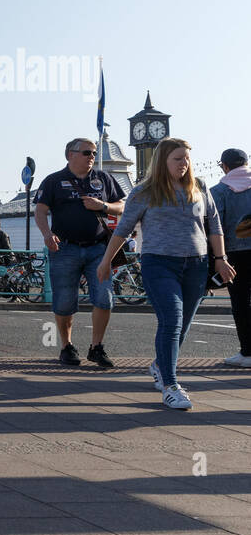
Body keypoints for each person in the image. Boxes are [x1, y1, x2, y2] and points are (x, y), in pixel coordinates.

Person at [97, 138, 235, 409]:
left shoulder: (200, 187)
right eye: (177, 159)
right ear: (163, 161)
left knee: (182, 325)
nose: (184, 164)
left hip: (196, 264)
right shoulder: (144, 192)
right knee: (171, 319)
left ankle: (160, 365)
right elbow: (123, 229)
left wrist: (221, 259)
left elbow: (214, 225)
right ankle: (171, 386)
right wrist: (106, 262)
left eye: (186, 158)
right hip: (159, 264)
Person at [34, 136, 126, 368]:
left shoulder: (103, 179)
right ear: (70, 155)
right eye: (87, 153)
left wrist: (103, 206)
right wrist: (47, 234)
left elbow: (123, 206)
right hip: (65, 247)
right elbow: (41, 210)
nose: (92, 157)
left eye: (93, 153)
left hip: (97, 248)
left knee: (104, 299)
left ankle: (97, 347)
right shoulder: (54, 180)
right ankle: (66, 346)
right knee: (64, 303)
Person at [210, 147, 251, 367]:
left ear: (224, 166)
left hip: (235, 254)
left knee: (241, 302)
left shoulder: (219, 191)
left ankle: (247, 352)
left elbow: (215, 227)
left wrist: (217, 257)